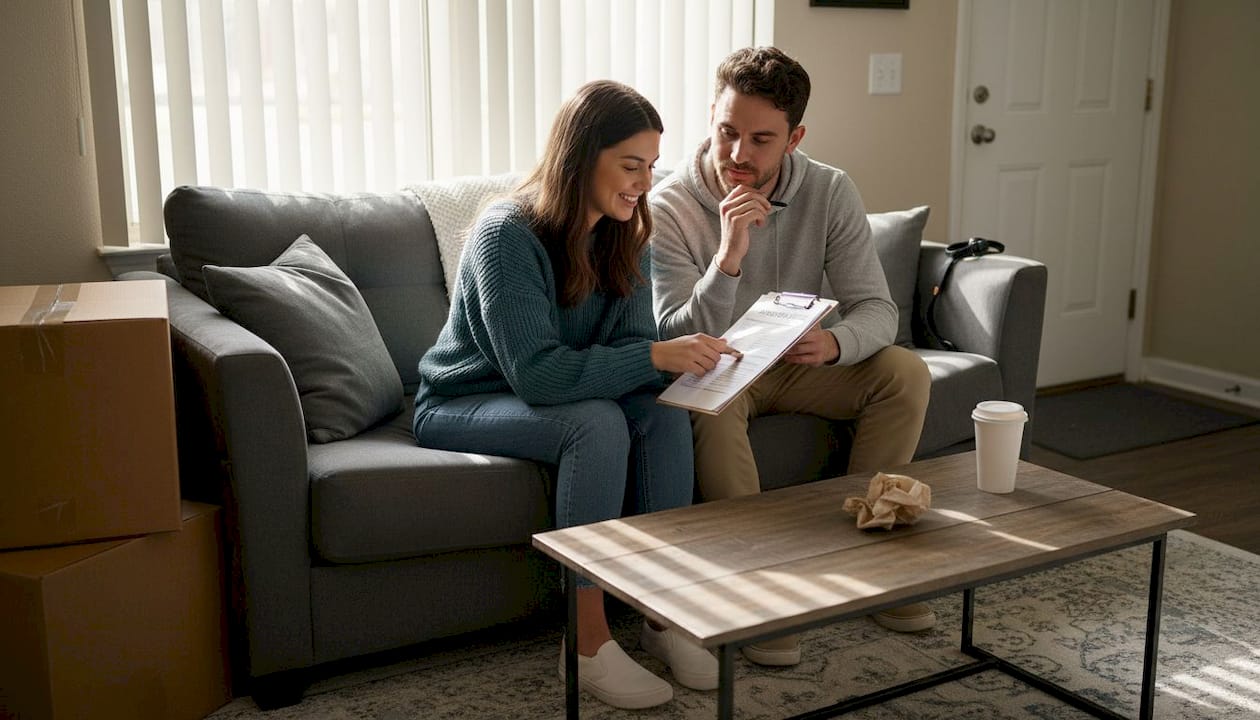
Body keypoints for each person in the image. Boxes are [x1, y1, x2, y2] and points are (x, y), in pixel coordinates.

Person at [413, 80, 735, 710]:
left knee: (662, 414)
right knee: (596, 424)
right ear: (583, 156)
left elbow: (635, 348)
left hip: (542, 394)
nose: (644, 183)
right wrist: (648, 357)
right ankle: (585, 642)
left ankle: (662, 617)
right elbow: (539, 375)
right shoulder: (505, 234)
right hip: (462, 401)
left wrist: (684, 365)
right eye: (630, 165)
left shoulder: (625, 232)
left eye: (650, 167)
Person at [649, 47, 934, 664]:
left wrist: (837, 344)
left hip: (801, 366)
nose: (738, 155)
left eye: (760, 139)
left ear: (794, 137)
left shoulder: (829, 190)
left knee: (905, 373)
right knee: (713, 408)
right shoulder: (669, 206)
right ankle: (761, 596)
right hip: (719, 368)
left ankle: (876, 563)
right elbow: (672, 330)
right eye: (727, 131)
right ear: (711, 117)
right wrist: (728, 255)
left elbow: (878, 311)